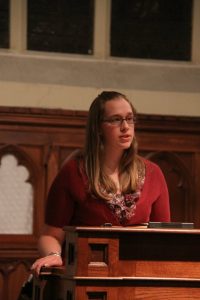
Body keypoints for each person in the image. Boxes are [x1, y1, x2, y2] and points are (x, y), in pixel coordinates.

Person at [31, 91, 170, 276]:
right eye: (115, 120)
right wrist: (54, 254)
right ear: (98, 127)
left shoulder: (153, 173)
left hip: (138, 276)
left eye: (130, 119)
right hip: (88, 275)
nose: (125, 127)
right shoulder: (74, 173)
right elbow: (50, 235)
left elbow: (166, 238)